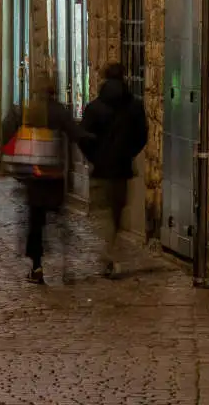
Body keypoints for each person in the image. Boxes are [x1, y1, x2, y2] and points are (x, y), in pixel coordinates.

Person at [0, 64, 87, 284]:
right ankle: (67, 266)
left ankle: (37, 267)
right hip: (55, 176)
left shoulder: (28, 110)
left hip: (33, 178)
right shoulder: (60, 111)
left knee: (35, 223)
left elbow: (8, 130)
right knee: (60, 220)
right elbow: (76, 134)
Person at [79, 63, 149, 278]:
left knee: (102, 213)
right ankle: (109, 252)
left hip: (100, 170)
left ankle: (107, 254)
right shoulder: (134, 107)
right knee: (115, 214)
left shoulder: (94, 108)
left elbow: (84, 137)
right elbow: (142, 135)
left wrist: (94, 157)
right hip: (121, 169)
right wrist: (128, 153)